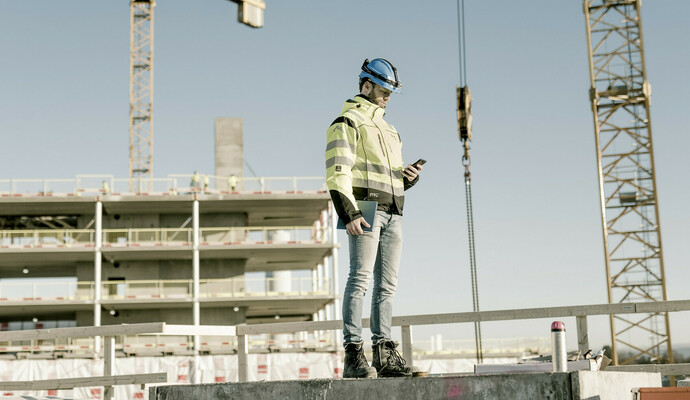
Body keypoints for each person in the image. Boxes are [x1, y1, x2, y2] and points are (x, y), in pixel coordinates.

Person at [325, 58, 423, 379]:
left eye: (391, 93)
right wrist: (348, 212)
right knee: (360, 280)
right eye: (383, 91)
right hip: (364, 210)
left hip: (394, 210)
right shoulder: (347, 122)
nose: (387, 98)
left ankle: (384, 354)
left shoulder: (390, 130)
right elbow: (337, 171)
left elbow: (388, 175)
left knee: (387, 287)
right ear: (366, 85)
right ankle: (354, 355)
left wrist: (407, 178)